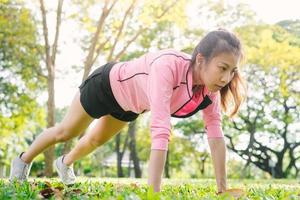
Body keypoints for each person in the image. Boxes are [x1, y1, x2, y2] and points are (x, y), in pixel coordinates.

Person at [10, 29, 246, 194]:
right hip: (105, 86)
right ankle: (22, 161)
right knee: (66, 132)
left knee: (94, 141)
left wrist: (222, 189)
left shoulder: (209, 90)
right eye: (222, 68)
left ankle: (65, 163)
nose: (226, 79)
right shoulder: (168, 66)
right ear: (201, 60)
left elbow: (215, 137)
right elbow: (161, 130)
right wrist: (154, 194)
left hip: (130, 106)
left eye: (232, 71)